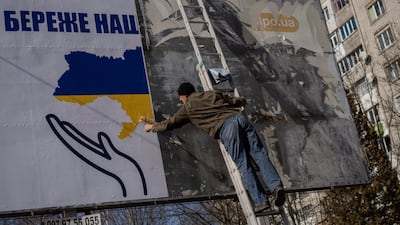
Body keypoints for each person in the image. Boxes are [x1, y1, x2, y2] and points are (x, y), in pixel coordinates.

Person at [141, 82, 285, 212]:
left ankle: (261, 201)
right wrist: (242, 100)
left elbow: (171, 122)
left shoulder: (188, 107)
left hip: (227, 128)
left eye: (180, 98)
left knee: (243, 164)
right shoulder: (212, 93)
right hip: (240, 119)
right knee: (260, 154)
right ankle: (276, 186)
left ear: (184, 96)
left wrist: (152, 127)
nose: (180, 100)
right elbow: (235, 101)